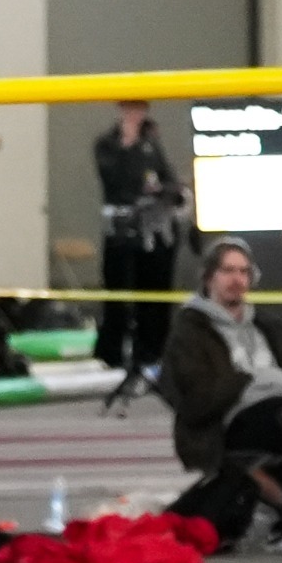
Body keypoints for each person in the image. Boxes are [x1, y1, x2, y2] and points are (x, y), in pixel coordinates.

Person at [162, 238, 282, 541]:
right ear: (209, 277)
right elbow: (196, 399)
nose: (237, 279)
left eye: (243, 272)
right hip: (224, 423)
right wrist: (251, 380)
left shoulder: (266, 325)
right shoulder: (191, 330)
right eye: (228, 271)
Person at [94, 101, 183, 371]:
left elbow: (167, 178)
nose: (136, 115)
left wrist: (166, 191)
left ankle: (152, 352)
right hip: (122, 232)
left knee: (155, 295)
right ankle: (113, 353)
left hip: (154, 230)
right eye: (131, 109)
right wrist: (128, 144)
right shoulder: (106, 144)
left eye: (140, 109)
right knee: (118, 295)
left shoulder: (152, 144)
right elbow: (114, 181)